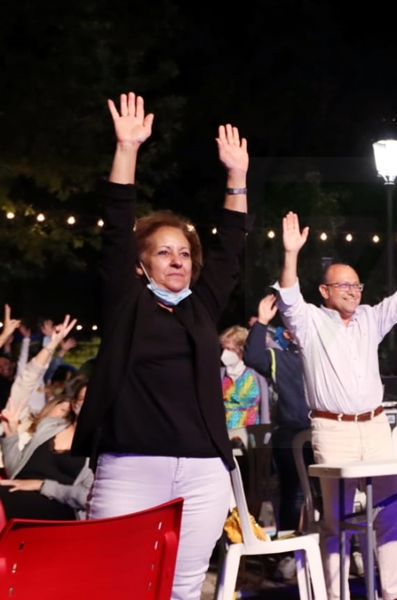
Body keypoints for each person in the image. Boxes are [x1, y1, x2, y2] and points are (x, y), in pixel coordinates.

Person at [74, 93, 251, 600]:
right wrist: (127, 147)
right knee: (115, 586)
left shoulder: (200, 307)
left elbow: (231, 247)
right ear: (140, 264)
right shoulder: (126, 302)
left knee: (183, 588)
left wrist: (236, 178)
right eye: (163, 252)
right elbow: (115, 224)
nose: (177, 260)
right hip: (131, 467)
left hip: (202, 473)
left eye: (184, 254)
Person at [276, 211, 397, 600]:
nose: (352, 291)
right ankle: (336, 594)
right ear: (325, 291)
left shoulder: (368, 318)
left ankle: (396, 590)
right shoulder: (310, 321)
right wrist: (290, 252)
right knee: (336, 517)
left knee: (390, 509)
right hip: (333, 429)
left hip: (375, 426)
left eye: (357, 285)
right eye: (343, 285)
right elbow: (288, 297)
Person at [1, 317, 91, 525]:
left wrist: (42, 485)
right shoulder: (50, 426)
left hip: (58, 510)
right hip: (14, 495)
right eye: (82, 400)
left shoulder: (101, 447)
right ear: (75, 405)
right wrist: (12, 433)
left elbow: (89, 497)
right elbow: (16, 471)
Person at [243, 294, 313, 533]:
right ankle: (290, 550)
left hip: (326, 433)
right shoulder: (279, 357)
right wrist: (262, 322)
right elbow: (252, 357)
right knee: (293, 494)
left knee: (329, 493)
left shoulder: (323, 356)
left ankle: (334, 549)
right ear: (287, 334)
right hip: (291, 435)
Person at [219, 325, 270, 429]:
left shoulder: (256, 372)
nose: (225, 353)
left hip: (252, 432)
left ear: (241, 348)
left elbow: (277, 354)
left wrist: (266, 339)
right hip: (226, 431)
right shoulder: (221, 372)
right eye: (224, 348)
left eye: (229, 349)